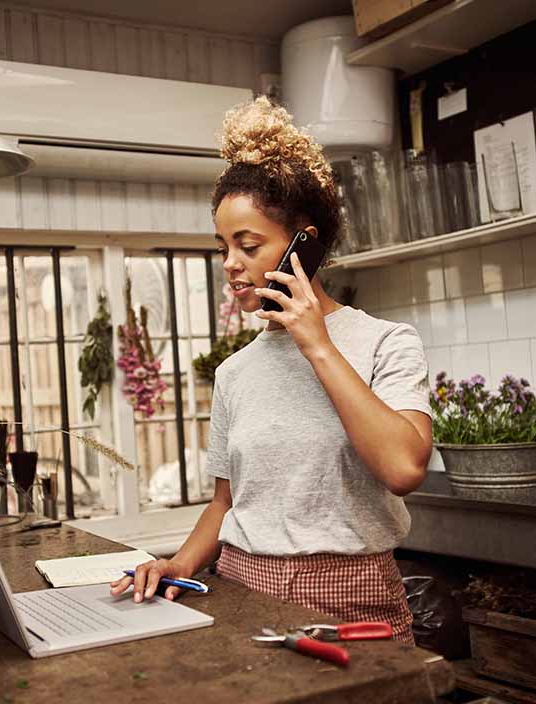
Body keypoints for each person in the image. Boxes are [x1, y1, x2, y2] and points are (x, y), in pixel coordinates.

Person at [110, 97, 432, 644]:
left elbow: (404, 468)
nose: (231, 263)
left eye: (248, 244)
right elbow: (226, 502)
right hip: (241, 586)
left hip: (352, 592)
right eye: (223, 246)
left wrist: (318, 345)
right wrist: (178, 564)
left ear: (303, 244)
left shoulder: (386, 343)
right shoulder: (235, 372)